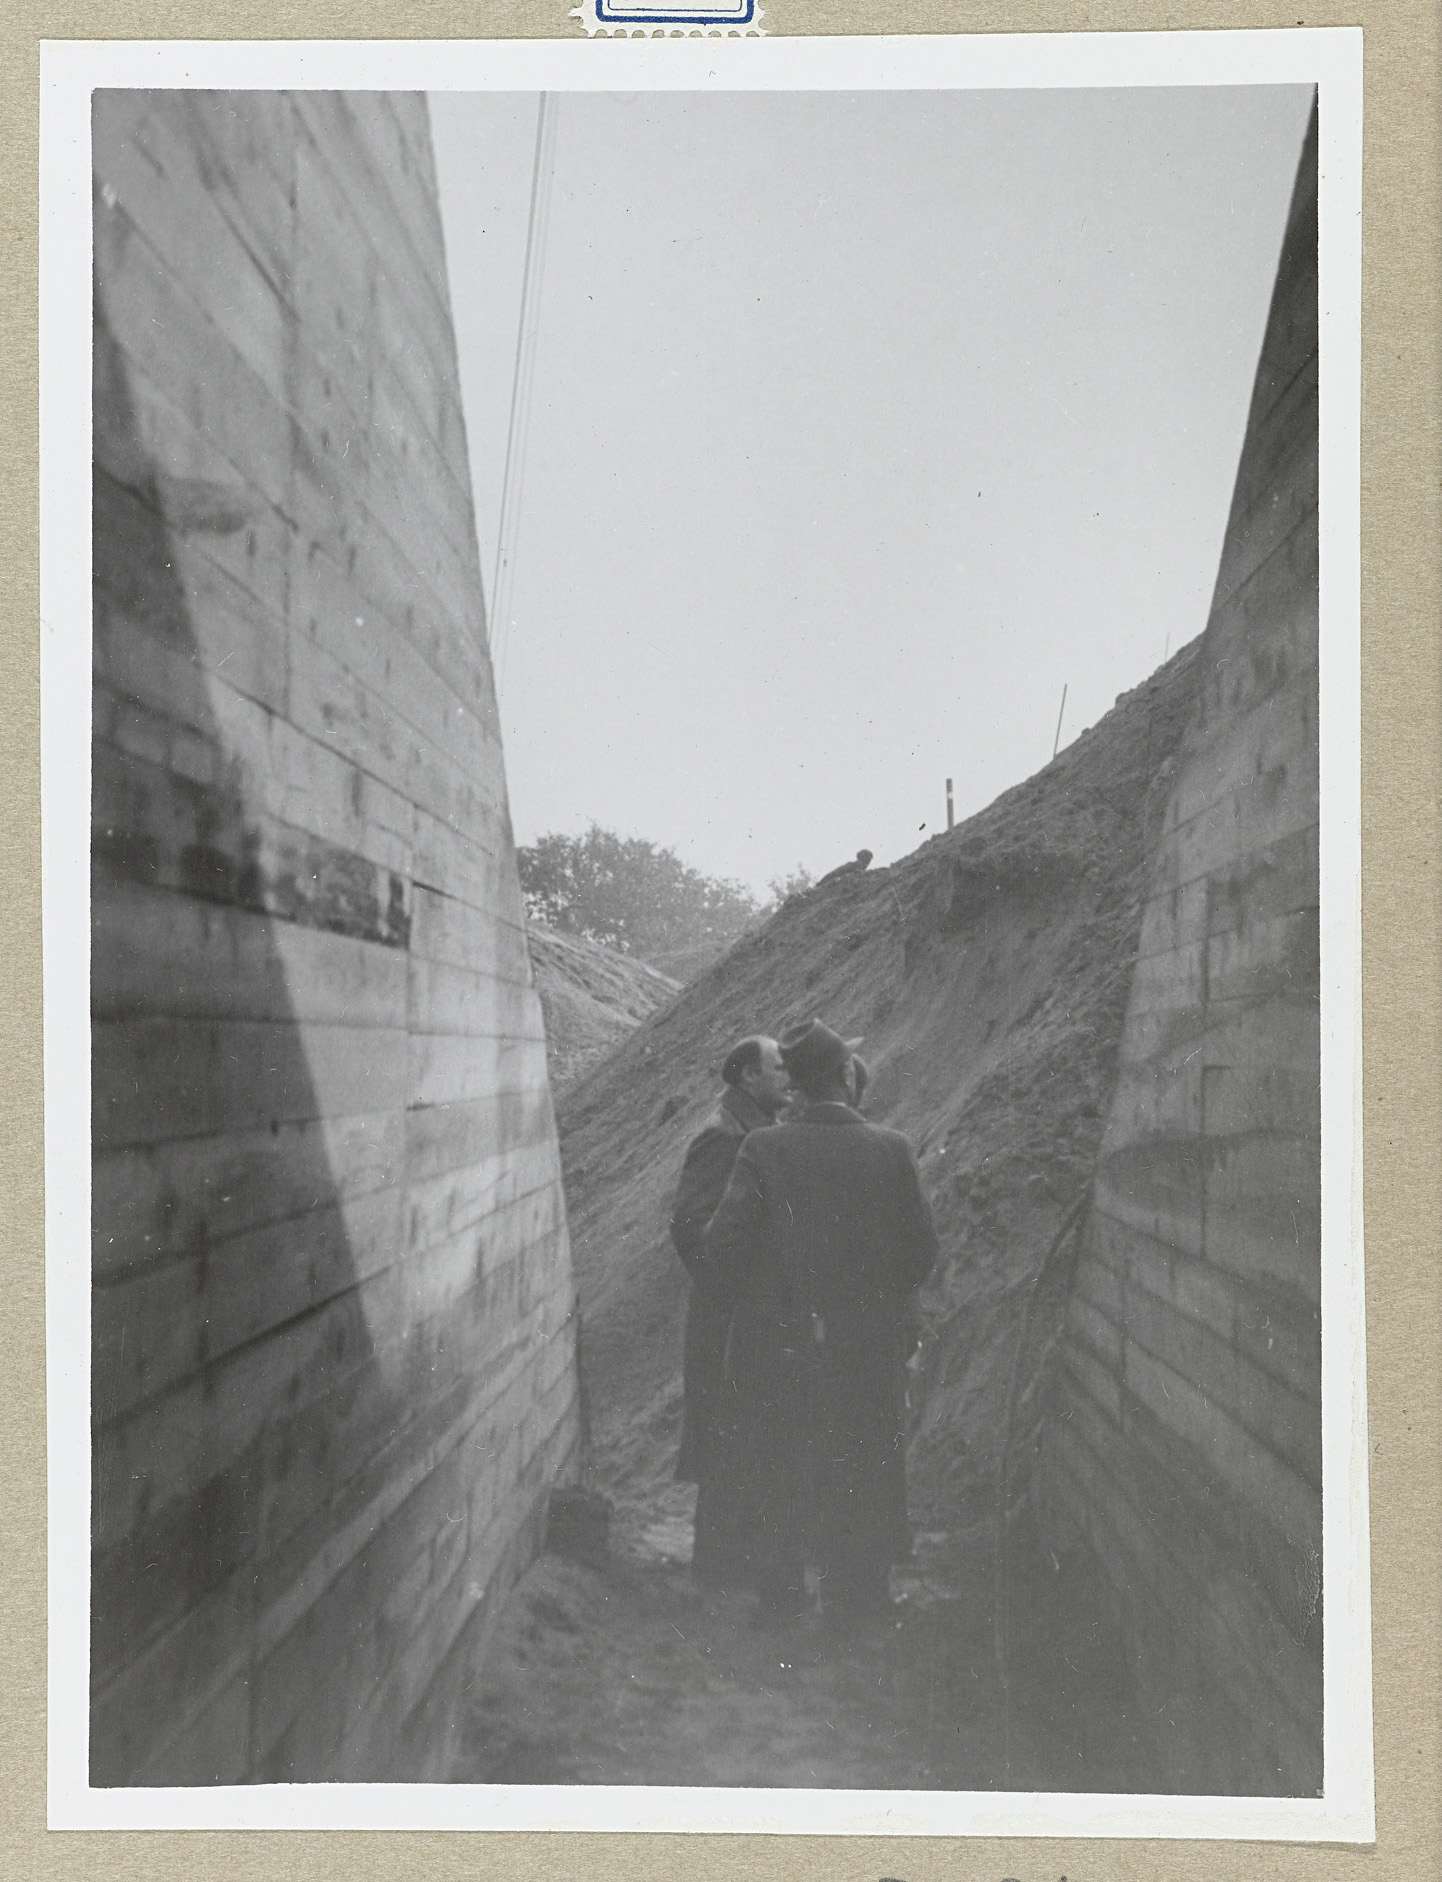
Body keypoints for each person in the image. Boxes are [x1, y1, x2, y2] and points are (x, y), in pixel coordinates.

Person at [699, 1019, 938, 1625]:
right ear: (844, 1077)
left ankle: (781, 1602)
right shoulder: (892, 1148)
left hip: (784, 1346)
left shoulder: (763, 1149)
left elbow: (722, 1248)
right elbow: (920, 1255)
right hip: (867, 1348)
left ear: (798, 1086)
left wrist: (773, 1301)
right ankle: (858, 1604)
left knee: (782, 1466)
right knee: (863, 1465)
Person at [669, 1033, 791, 1584]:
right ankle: (715, 1571)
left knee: (740, 1432)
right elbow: (688, 1226)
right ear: (748, 1076)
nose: (787, 1077)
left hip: (741, 1313)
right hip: (727, 1316)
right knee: (724, 1433)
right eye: (777, 1067)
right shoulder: (724, 1137)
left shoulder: (754, 1130)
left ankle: (730, 1565)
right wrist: (732, 1286)